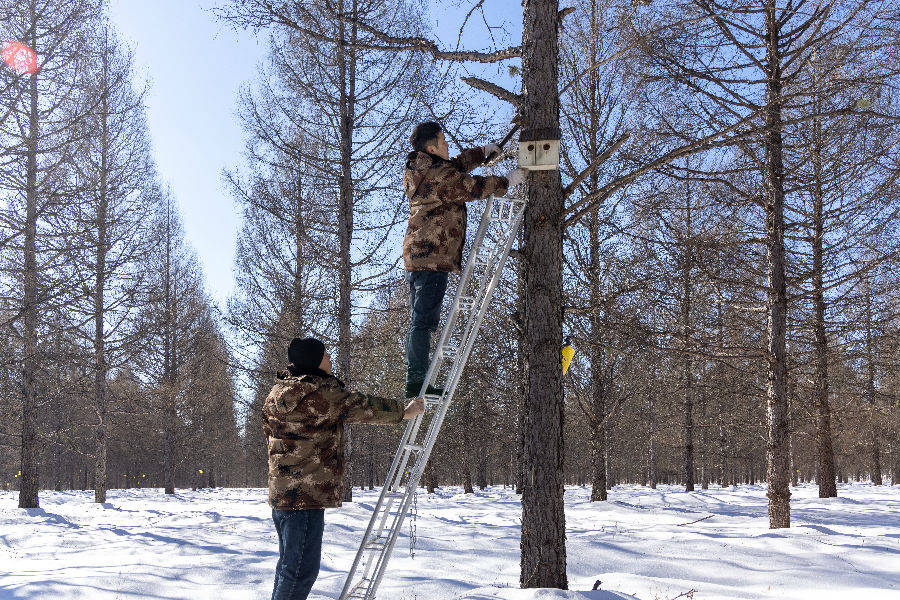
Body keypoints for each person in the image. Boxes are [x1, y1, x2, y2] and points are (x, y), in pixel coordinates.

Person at [263, 337, 425, 600]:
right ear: (314, 361)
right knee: (300, 572)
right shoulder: (317, 394)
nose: (329, 358)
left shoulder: (277, 393)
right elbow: (360, 405)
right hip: (306, 497)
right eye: (325, 354)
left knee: (288, 569)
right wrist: (402, 412)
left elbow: (270, 433)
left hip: (282, 496)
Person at [402, 121, 526, 397]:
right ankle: (416, 383)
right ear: (432, 148)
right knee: (423, 323)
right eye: (443, 141)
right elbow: (470, 187)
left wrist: (482, 153)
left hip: (421, 255)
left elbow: (455, 166)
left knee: (420, 321)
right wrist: (507, 181)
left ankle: (417, 380)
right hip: (432, 256)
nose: (448, 145)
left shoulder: (424, 168)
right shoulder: (437, 174)